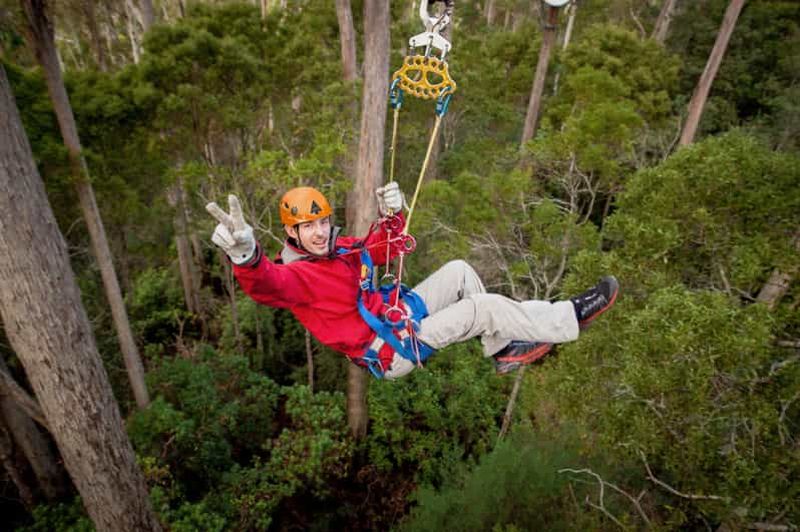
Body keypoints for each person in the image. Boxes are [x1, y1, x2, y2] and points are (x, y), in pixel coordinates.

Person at [206, 183, 618, 379]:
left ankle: (504, 349)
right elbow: (267, 285)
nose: (318, 231)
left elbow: (383, 248)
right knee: (484, 308)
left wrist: (393, 216)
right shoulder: (298, 276)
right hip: (390, 351)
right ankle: (570, 318)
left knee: (459, 270)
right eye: (307, 226)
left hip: (398, 316)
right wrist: (246, 255)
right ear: (291, 234)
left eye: (323, 221)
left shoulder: (338, 249)